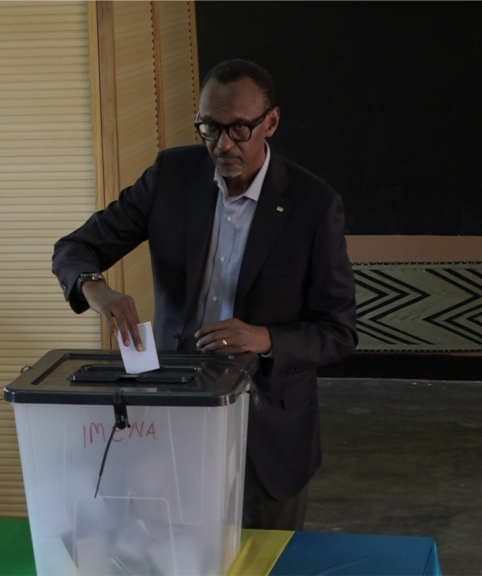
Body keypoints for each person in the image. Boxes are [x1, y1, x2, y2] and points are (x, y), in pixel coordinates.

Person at [52, 58, 357, 530]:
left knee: (266, 559)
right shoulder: (172, 177)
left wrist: (264, 338)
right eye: (209, 128)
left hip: (268, 426)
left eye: (240, 129)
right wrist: (96, 288)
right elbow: (74, 248)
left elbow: (338, 331)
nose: (223, 145)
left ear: (270, 122)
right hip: (175, 416)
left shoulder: (315, 206)